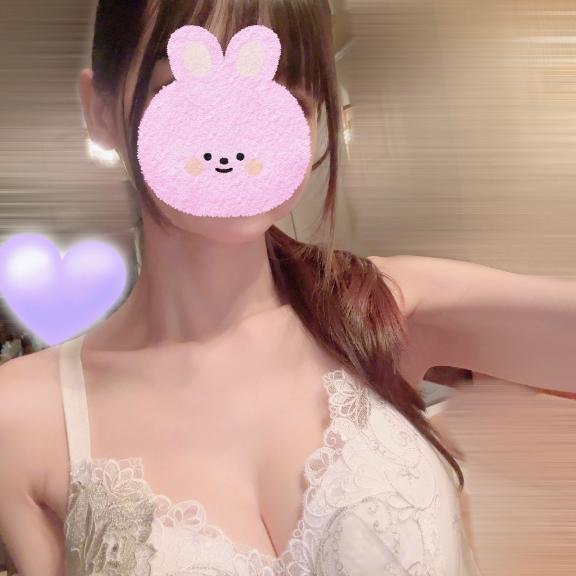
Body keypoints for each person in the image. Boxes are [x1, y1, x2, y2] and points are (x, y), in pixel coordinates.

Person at [0, 1, 497, 574]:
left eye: (286, 97)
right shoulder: (22, 416)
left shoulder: (391, 307)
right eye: (180, 88)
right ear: (101, 110)